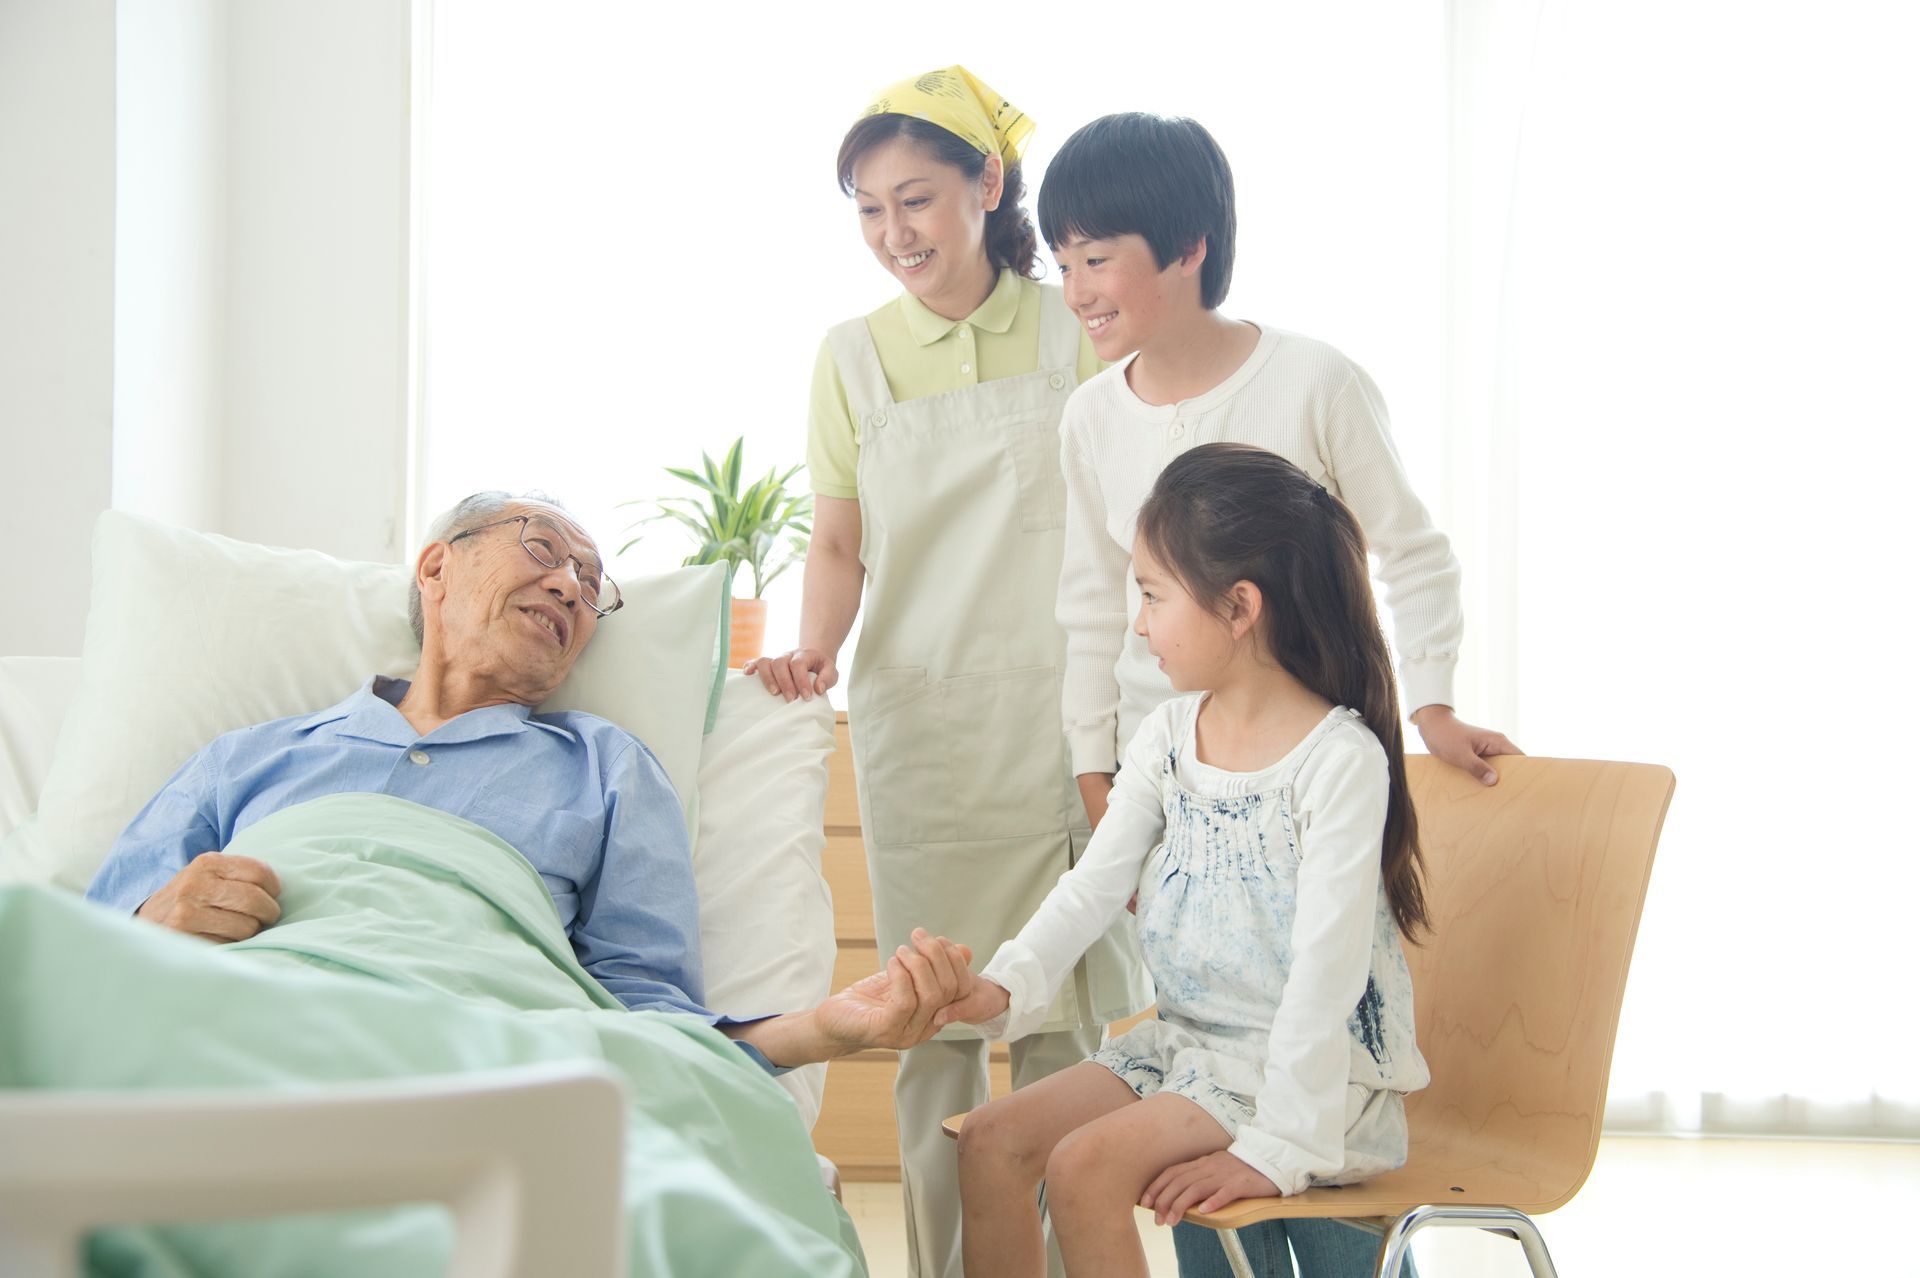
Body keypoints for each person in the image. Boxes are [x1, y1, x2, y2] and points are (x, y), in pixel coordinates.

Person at [1040, 115, 1506, 1272]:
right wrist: (1096, 772)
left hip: (1300, 760)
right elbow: (1087, 602)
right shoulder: (1091, 418)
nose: (1076, 288)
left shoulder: (1315, 381)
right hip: (1175, 778)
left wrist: (1433, 703)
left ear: (1190, 247)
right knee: (1204, 1049)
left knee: (1312, 1015)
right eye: (1061, 262)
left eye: (1098, 256)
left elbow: (1413, 551)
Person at [86, 490, 973, 1071]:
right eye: (543, 550)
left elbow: (647, 1017)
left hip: (479, 1067)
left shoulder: (604, 769)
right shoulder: (250, 758)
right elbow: (76, 955)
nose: (569, 587)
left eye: (592, 586)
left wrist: (820, 1029)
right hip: (244, 1049)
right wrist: (151, 929)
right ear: (436, 566)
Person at [744, 68, 1151, 1277]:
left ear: (988, 183)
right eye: (869, 211)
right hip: (924, 724)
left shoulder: (1067, 321)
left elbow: (1125, 512)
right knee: (935, 1025)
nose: (894, 235)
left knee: (1072, 1022)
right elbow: (836, 540)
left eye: (914, 199)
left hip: (1070, 715)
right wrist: (817, 644)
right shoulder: (851, 357)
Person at [936, 444, 1431, 1278]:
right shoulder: (1168, 736)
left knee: (1084, 1166)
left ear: (1239, 607)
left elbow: (1327, 972)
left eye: (1153, 595)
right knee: (991, 1140)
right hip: (1189, 1051)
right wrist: (1007, 983)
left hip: (1308, 1078)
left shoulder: (1338, 760)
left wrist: (1279, 1143)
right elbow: (1095, 887)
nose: (1139, 623)